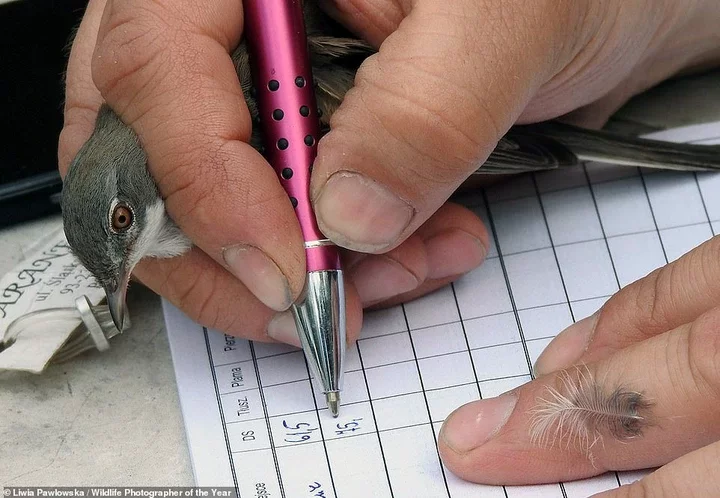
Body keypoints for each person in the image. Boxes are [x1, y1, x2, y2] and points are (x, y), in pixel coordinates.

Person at [59, 0, 720, 493]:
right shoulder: (173, 176)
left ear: (132, 193)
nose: (130, 264)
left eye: (123, 227)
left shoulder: (202, 150)